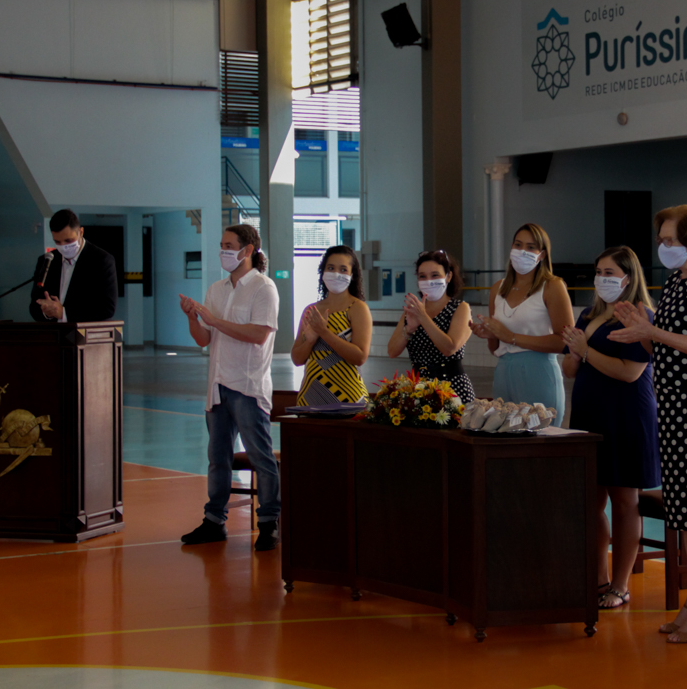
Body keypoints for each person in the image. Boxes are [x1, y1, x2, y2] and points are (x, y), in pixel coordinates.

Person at [609, 204, 687, 644]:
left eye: (670, 240)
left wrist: (654, 332)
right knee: (685, 510)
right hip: (676, 410)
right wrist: (641, 330)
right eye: (661, 240)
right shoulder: (677, 283)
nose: (663, 247)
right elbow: (665, 347)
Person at [560, 246, 659, 610]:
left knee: (624, 500)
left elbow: (629, 372)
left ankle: (620, 584)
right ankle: (599, 576)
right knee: (590, 500)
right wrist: (574, 353)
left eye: (609, 273)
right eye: (598, 272)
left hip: (626, 414)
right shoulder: (588, 314)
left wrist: (586, 351)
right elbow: (569, 369)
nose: (601, 278)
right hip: (589, 414)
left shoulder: (639, 317)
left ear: (628, 278)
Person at [179, 225, 281, 550]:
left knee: (260, 456)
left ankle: (269, 522)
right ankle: (214, 520)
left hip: (248, 386)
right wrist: (194, 318)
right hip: (218, 384)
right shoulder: (217, 289)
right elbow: (204, 339)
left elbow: (258, 334)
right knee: (217, 457)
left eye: (229, 245)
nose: (223, 251)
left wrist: (215, 321)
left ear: (247, 250)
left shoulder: (264, 288)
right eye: (222, 245)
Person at [469, 223, 574, 426]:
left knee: (540, 434)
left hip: (538, 372)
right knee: (505, 435)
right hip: (504, 371)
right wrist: (491, 334)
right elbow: (495, 349)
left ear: (542, 254)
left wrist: (511, 337)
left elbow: (565, 342)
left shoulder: (552, 286)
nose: (522, 251)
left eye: (530, 247)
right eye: (518, 245)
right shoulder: (498, 289)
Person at [386, 249, 474, 401]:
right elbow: (392, 351)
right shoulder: (413, 311)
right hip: (419, 389)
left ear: (448, 276)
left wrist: (423, 318)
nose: (428, 281)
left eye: (435, 275)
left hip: (452, 388)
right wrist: (409, 329)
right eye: (422, 276)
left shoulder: (460, 308)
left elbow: (449, 348)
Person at [291, 245, 372, 406]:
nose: (336, 273)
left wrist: (324, 332)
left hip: (348, 397)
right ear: (322, 272)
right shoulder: (311, 310)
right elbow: (297, 359)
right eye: (331, 268)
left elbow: (360, 357)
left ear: (352, 275)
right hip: (311, 397)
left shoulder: (358, 308)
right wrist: (310, 342)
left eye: (343, 269)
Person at [29, 209, 117, 323]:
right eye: (58, 242)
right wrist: (48, 312)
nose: (63, 246)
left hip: (84, 332)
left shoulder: (101, 260)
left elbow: (107, 308)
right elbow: (34, 306)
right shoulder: (47, 261)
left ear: (81, 232)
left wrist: (63, 313)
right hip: (53, 332)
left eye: (68, 240)